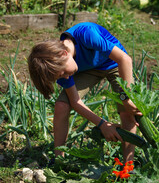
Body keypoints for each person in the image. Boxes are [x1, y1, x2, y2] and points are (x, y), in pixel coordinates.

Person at [28, 22, 142, 163]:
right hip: (88, 69)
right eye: (60, 76)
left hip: (114, 63)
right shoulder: (61, 68)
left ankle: (128, 166)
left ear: (64, 53)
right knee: (62, 105)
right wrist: (103, 125)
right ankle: (59, 160)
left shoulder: (87, 34)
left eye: (63, 72)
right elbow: (76, 102)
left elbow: (125, 59)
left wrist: (126, 99)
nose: (65, 77)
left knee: (127, 112)